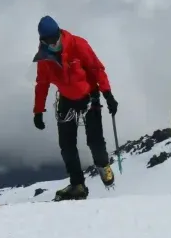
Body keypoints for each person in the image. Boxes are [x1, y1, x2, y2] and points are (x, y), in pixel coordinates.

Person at [32, 15, 120, 201]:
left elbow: (97, 69)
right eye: (48, 40)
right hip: (67, 99)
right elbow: (42, 83)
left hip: (89, 96)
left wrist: (107, 94)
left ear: (59, 33)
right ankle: (77, 184)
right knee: (67, 144)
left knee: (94, 139)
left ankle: (103, 166)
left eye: (55, 38)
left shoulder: (78, 45)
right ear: (42, 40)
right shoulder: (44, 58)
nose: (53, 42)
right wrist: (38, 110)